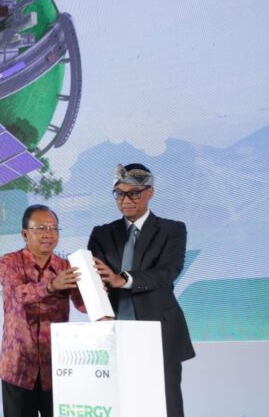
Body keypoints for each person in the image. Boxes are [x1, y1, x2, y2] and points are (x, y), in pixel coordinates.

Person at [88, 163, 195, 417]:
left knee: (166, 405)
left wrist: (122, 279)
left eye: (133, 193)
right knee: (121, 403)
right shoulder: (102, 233)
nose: (125, 200)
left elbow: (168, 272)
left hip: (160, 331)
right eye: (119, 194)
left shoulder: (172, 230)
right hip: (114, 333)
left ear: (150, 193)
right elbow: (94, 279)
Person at [0, 204, 86, 417]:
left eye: (54, 228)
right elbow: (18, 295)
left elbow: (82, 305)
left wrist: (97, 287)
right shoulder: (9, 262)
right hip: (18, 367)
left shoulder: (66, 267)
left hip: (56, 368)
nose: (48, 234)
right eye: (41, 228)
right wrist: (51, 285)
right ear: (25, 234)